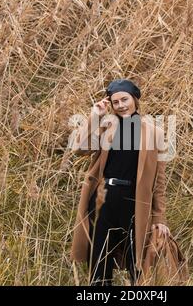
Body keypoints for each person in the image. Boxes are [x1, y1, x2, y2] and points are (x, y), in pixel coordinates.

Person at [70, 79, 170, 286]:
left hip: (135, 202)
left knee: (137, 261)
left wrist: (159, 216)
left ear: (135, 99)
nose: (121, 105)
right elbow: (79, 148)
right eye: (116, 102)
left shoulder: (154, 133)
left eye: (125, 99)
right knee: (99, 260)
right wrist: (95, 117)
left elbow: (159, 182)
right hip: (103, 198)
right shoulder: (106, 126)